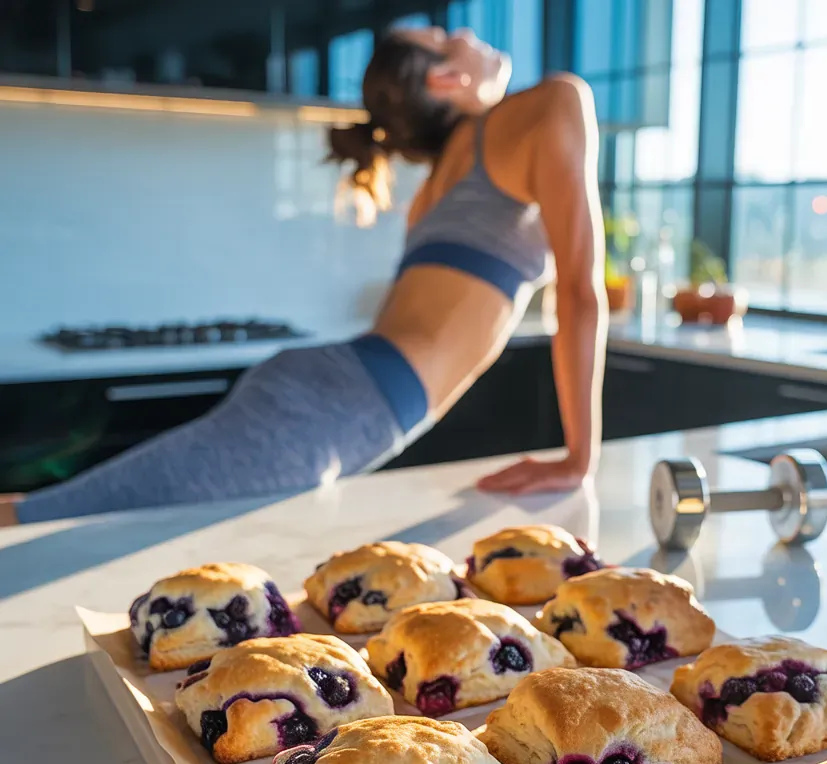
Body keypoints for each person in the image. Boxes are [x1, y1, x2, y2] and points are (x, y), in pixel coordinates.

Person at [1, 27, 607, 526]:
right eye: (448, 37)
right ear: (444, 79)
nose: (469, 34)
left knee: (71, 517)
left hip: (325, 397)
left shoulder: (440, 183)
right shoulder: (552, 103)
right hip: (319, 412)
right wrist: (580, 459)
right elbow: (579, 292)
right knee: (50, 520)